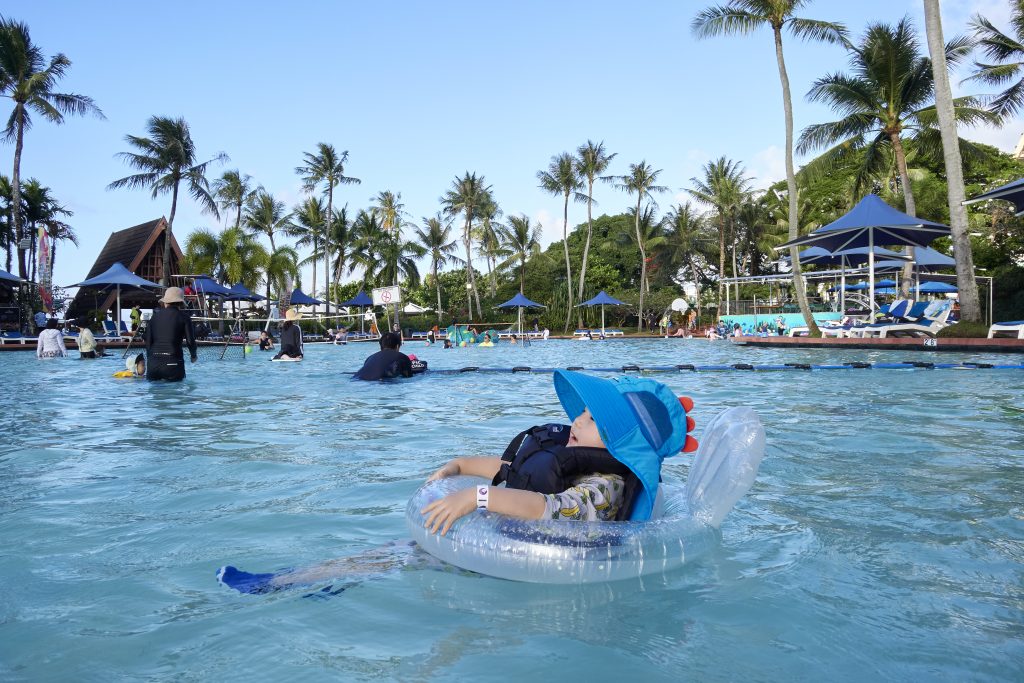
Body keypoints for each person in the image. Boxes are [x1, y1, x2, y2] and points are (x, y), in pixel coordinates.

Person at [421, 370, 699, 535]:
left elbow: (547, 508)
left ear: (621, 444)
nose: (576, 421)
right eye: (582, 413)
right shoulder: (578, 460)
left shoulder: (606, 487)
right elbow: (511, 468)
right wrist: (458, 465)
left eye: (593, 421)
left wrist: (477, 496)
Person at [144, 287, 197, 382]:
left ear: (165, 302)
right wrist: (193, 355)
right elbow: (190, 341)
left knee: (156, 393)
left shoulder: (154, 317)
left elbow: (148, 342)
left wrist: (150, 360)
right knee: (175, 394)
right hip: (173, 363)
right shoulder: (184, 318)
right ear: (181, 303)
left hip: (153, 365)